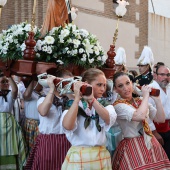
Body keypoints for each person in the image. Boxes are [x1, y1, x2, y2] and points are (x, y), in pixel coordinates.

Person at [111, 72, 170, 169]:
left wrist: (157, 100)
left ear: (132, 83)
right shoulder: (118, 105)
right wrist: (146, 96)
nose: (126, 88)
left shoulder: (140, 101)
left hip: (150, 142)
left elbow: (160, 118)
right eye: (120, 86)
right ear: (116, 89)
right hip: (132, 145)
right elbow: (140, 116)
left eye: (127, 83)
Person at [61, 68, 117, 170]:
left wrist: (92, 100)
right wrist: (77, 98)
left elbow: (107, 118)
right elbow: (67, 126)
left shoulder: (104, 105)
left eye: (104, 85)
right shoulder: (73, 105)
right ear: (86, 84)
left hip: (100, 157)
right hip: (79, 158)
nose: (102, 89)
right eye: (99, 85)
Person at [25, 71, 72, 170]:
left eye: (69, 82)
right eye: (64, 82)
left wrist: (71, 94)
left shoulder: (71, 100)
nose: (67, 85)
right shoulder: (43, 99)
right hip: (48, 142)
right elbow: (43, 112)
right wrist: (52, 89)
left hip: (67, 141)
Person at [0, 70, 27, 170]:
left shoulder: (9, 94)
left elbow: (15, 90)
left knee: (10, 146)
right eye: (3, 82)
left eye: (6, 82)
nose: (6, 84)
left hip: (9, 125)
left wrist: (9, 77)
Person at [148, 65, 170, 159]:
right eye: (162, 74)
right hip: (155, 129)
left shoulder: (169, 88)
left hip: (168, 127)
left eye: (168, 75)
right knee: (158, 158)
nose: (165, 77)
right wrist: (154, 132)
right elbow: (146, 113)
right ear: (155, 76)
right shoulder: (151, 89)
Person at [23, 79, 43, 155]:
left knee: (39, 149)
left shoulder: (44, 93)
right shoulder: (30, 93)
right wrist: (33, 78)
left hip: (41, 124)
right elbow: (26, 95)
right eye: (38, 81)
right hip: (31, 124)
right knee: (30, 150)